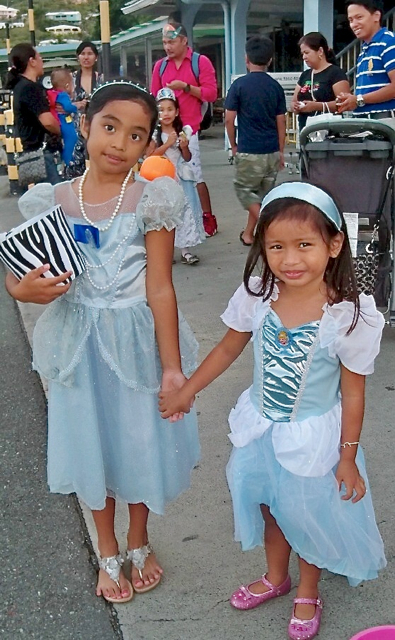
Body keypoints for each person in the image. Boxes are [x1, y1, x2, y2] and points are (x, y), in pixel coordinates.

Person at [159, 181, 386, 640]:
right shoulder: (260, 293)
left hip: (314, 439)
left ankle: (307, 587)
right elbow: (227, 349)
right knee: (269, 508)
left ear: (334, 243)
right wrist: (188, 390)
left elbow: (354, 393)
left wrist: (347, 457)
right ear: (263, 247)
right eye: (277, 247)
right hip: (261, 430)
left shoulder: (346, 314)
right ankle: (276, 576)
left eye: (305, 245)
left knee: (308, 516)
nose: (290, 260)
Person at [5, 80, 200, 603]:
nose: (119, 143)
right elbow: (24, 270)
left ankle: (138, 539)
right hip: (77, 343)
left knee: (138, 439)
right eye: (110, 127)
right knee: (88, 437)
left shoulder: (153, 198)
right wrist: (21, 288)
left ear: (147, 145)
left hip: (136, 338)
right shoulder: (54, 199)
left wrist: (173, 367)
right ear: (86, 124)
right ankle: (106, 546)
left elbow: (160, 286)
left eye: (137, 135)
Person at [151, 22, 219, 237]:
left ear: (183, 41)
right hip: (165, 129)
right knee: (168, 177)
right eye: (164, 42)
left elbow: (211, 94)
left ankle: (207, 217)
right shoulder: (160, 66)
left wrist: (186, 88)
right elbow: (154, 96)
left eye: (171, 42)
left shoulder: (200, 62)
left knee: (194, 175)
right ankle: (176, 222)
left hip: (189, 128)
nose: (167, 47)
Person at [225, 36, 286, 247]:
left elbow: (229, 119)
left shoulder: (239, 85)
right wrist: (281, 150)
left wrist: (233, 146)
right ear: (270, 60)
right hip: (271, 151)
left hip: (249, 150)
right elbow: (281, 122)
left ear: (246, 59)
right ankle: (248, 235)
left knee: (243, 190)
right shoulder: (275, 87)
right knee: (262, 195)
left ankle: (272, 227)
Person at [151, 87, 205, 265]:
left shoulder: (183, 131)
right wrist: (167, 143)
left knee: (184, 212)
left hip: (181, 177)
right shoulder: (154, 135)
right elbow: (151, 156)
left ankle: (185, 250)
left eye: (169, 109)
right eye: (161, 110)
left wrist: (183, 147)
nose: (165, 114)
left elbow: (187, 158)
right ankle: (166, 250)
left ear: (176, 112)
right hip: (162, 178)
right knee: (165, 215)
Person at [5, 43, 61, 185]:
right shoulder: (31, 88)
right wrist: (63, 131)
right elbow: (47, 121)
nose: (42, 62)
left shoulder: (19, 86)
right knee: (56, 199)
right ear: (32, 61)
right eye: (40, 57)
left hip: (32, 154)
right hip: (43, 155)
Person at [336, 1, 395, 126]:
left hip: (385, 123)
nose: (354, 24)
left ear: (376, 16)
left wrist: (359, 100)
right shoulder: (364, 51)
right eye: (351, 20)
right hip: (366, 124)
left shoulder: (389, 42)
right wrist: (349, 100)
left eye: (359, 17)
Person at [291, 32, 350, 130]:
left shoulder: (335, 73)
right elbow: (294, 100)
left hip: (328, 130)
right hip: (306, 129)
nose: (304, 57)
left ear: (320, 51)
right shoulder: (305, 75)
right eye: (302, 54)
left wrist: (317, 106)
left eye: (307, 53)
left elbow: (344, 103)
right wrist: (295, 106)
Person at [65, 41, 102, 180]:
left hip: (96, 127)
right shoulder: (70, 79)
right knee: (74, 169)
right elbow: (60, 104)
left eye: (90, 54)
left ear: (96, 57)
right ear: (78, 57)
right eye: (83, 54)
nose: (86, 57)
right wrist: (76, 105)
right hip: (74, 129)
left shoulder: (101, 79)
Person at [47, 69, 78, 167]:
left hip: (58, 120)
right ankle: (69, 159)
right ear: (67, 86)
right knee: (72, 137)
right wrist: (77, 107)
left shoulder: (54, 93)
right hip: (64, 121)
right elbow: (68, 107)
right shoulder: (63, 95)